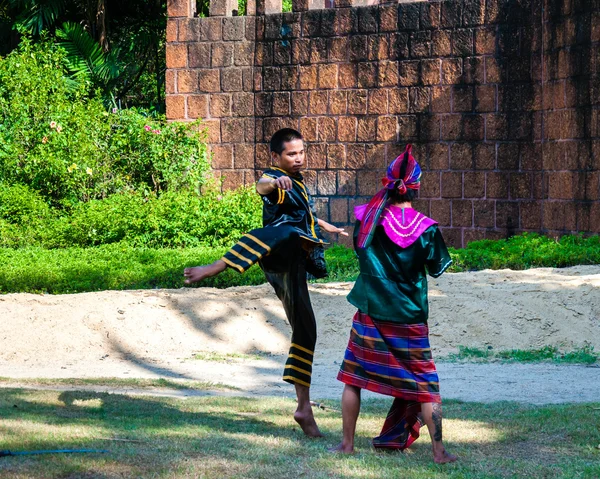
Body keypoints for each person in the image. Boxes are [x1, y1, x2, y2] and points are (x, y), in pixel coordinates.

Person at [183, 128, 347, 437]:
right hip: (277, 252)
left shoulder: (298, 184)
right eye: (290, 154)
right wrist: (274, 182)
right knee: (283, 231)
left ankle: (303, 408)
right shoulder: (276, 180)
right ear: (276, 157)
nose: (297, 158)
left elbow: (305, 215)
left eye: (301, 152)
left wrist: (328, 227)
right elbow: (262, 187)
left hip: (293, 262)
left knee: (306, 329)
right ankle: (217, 266)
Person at [332, 144, 457, 463]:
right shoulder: (426, 229)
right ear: (414, 188)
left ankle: (347, 444)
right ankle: (439, 452)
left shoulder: (367, 219)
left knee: (353, 377)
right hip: (410, 319)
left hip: (371, 314)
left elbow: (361, 254)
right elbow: (436, 267)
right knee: (427, 384)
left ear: (387, 183)